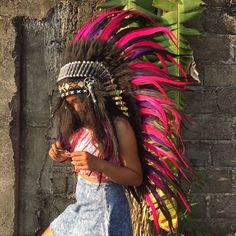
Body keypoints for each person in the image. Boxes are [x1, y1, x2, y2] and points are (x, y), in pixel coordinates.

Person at [43, 9, 191, 236]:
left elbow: (135, 176)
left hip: (105, 207)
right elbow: (84, 161)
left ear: (92, 97)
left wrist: (98, 164)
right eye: (68, 103)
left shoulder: (119, 126)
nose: (73, 108)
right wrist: (61, 155)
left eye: (76, 101)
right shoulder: (82, 127)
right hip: (83, 202)